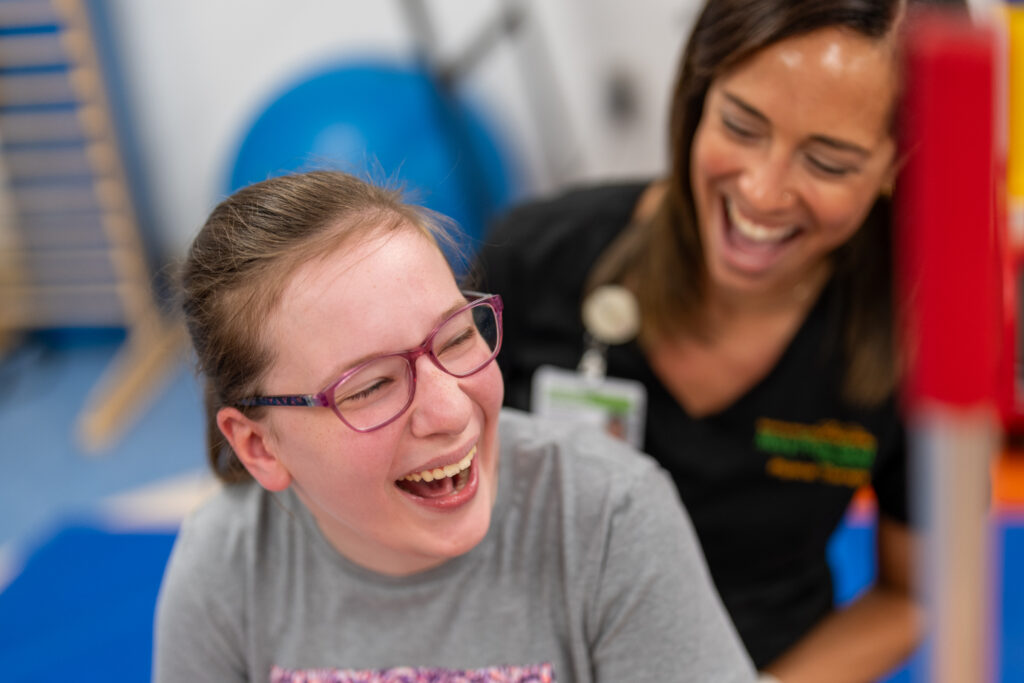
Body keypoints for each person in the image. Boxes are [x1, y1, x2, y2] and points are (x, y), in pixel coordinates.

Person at [473, 1, 969, 681]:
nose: (763, 193)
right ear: (698, 96)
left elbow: (913, 595)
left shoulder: (920, 336)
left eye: (827, 163)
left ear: (896, 164)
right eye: (741, 125)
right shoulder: (535, 260)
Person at [153, 170, 755, 682]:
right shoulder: (226, 564)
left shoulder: (609, 517)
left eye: (459, 336)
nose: (451, 411)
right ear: (259, 446)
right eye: (370, 386)